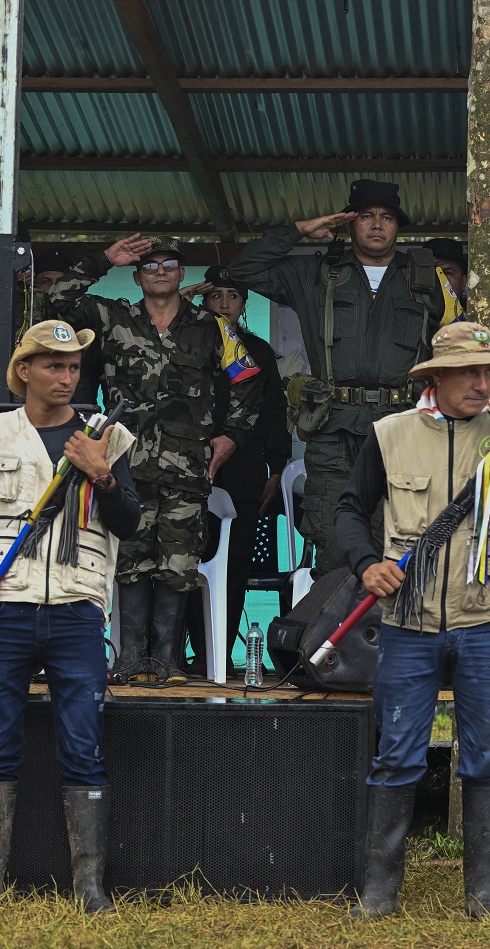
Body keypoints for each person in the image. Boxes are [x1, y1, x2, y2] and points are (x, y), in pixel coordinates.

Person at [336, 321, 490, 921]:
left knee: (488, 754)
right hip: (409, 622)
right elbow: (349, 510)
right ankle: (380, 893)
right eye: (470, 372)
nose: (484, 384)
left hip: (489, 617)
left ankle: (482, 895)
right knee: (397, 754)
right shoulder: (388, 435)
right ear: (435, 378)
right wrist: (367, 564)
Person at [0, 320, 140, 914]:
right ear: (23, 371)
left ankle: (89, 885)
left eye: (74, 367)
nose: (66, 377)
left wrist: (101, 472)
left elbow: (130, 523)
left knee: (83, 742)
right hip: (4, 609)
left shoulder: (105, 437)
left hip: (78, 611)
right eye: (53, 365)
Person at [50, 236, 262, 682]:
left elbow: (247, 381)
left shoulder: (211, 326)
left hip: (187, 469)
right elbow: (58, 298)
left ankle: (167, 661)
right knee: (129, 562)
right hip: (124, 467)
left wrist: (232, 438)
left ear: (183, 274)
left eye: (170, 264)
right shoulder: (112, 317)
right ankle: (130, 660)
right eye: (150, 265)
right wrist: (104, 258)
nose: (161, 271)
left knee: (178, 566)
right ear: (137, 275)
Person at [225, 181, 452, 578]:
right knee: (334, 553)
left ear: (398, 225)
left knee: (398, 556)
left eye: (387, 217)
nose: (377, 225)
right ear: (349, 223)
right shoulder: (318, 273)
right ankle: (330, 642)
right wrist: (299, 229)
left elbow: (460, 344)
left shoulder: (427, 278)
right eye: (366, 216)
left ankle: (391, 642)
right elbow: (241, 270)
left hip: (403, 432)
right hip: (333, 433)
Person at [182, 266, 292, 675]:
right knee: (189, 563)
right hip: (188, 467)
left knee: (234, 566)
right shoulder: (186, 343)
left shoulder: (257, 352)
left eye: (233, 296)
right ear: (202, 300)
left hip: (245, 468)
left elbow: (275, 413)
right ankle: (194, 656)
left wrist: (277, 468)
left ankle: (222, 656)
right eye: (216, 295)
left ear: (244, 304)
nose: (224, 303)